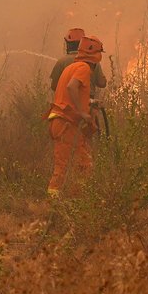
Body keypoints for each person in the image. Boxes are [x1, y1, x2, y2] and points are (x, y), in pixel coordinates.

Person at [46, 35, 104, 197]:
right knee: (77, 165)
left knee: (76, 164)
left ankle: (70, 199)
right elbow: (72, 88)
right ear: (96, 56)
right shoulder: (84, 68)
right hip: (66, 124)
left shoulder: (70, 67)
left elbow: (71, 92)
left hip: (61, 122)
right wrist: (82, 113)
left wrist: (91, 102)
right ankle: (67, 202)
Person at [50, 28, 107, 97]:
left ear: (68, 44)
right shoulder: (92, 61)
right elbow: (102, 83)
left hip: (66, 102)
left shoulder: (61, 62)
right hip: (88, 100)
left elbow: (54, 86)